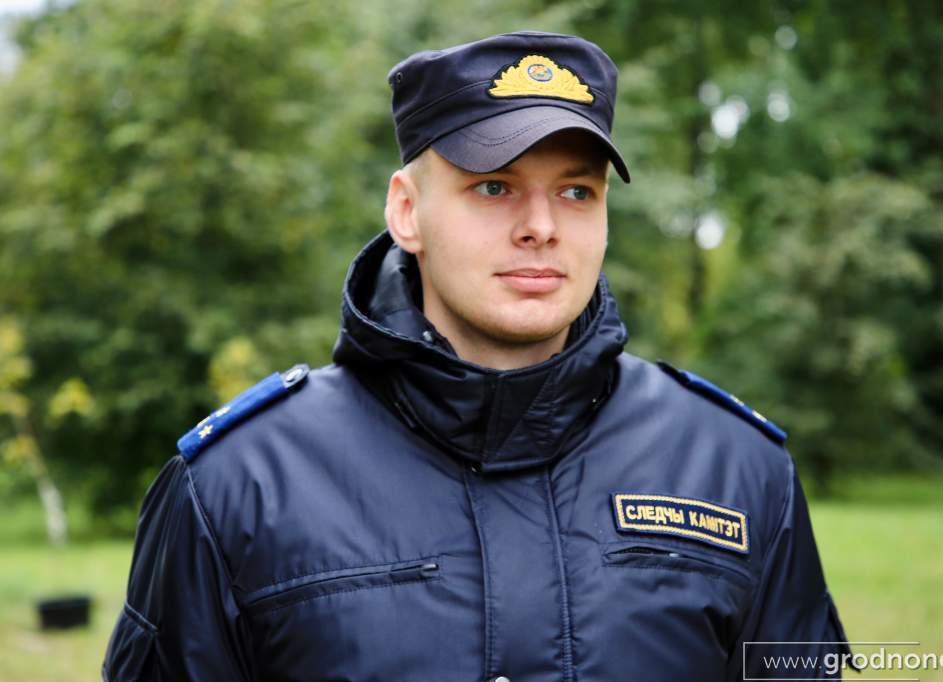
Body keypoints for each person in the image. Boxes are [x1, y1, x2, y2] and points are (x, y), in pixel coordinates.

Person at [104, 31, 854, 682]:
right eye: (494, 187)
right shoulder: (238, 485)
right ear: (407, 211)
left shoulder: (735, 467)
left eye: (576, 192)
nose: (541, 226)